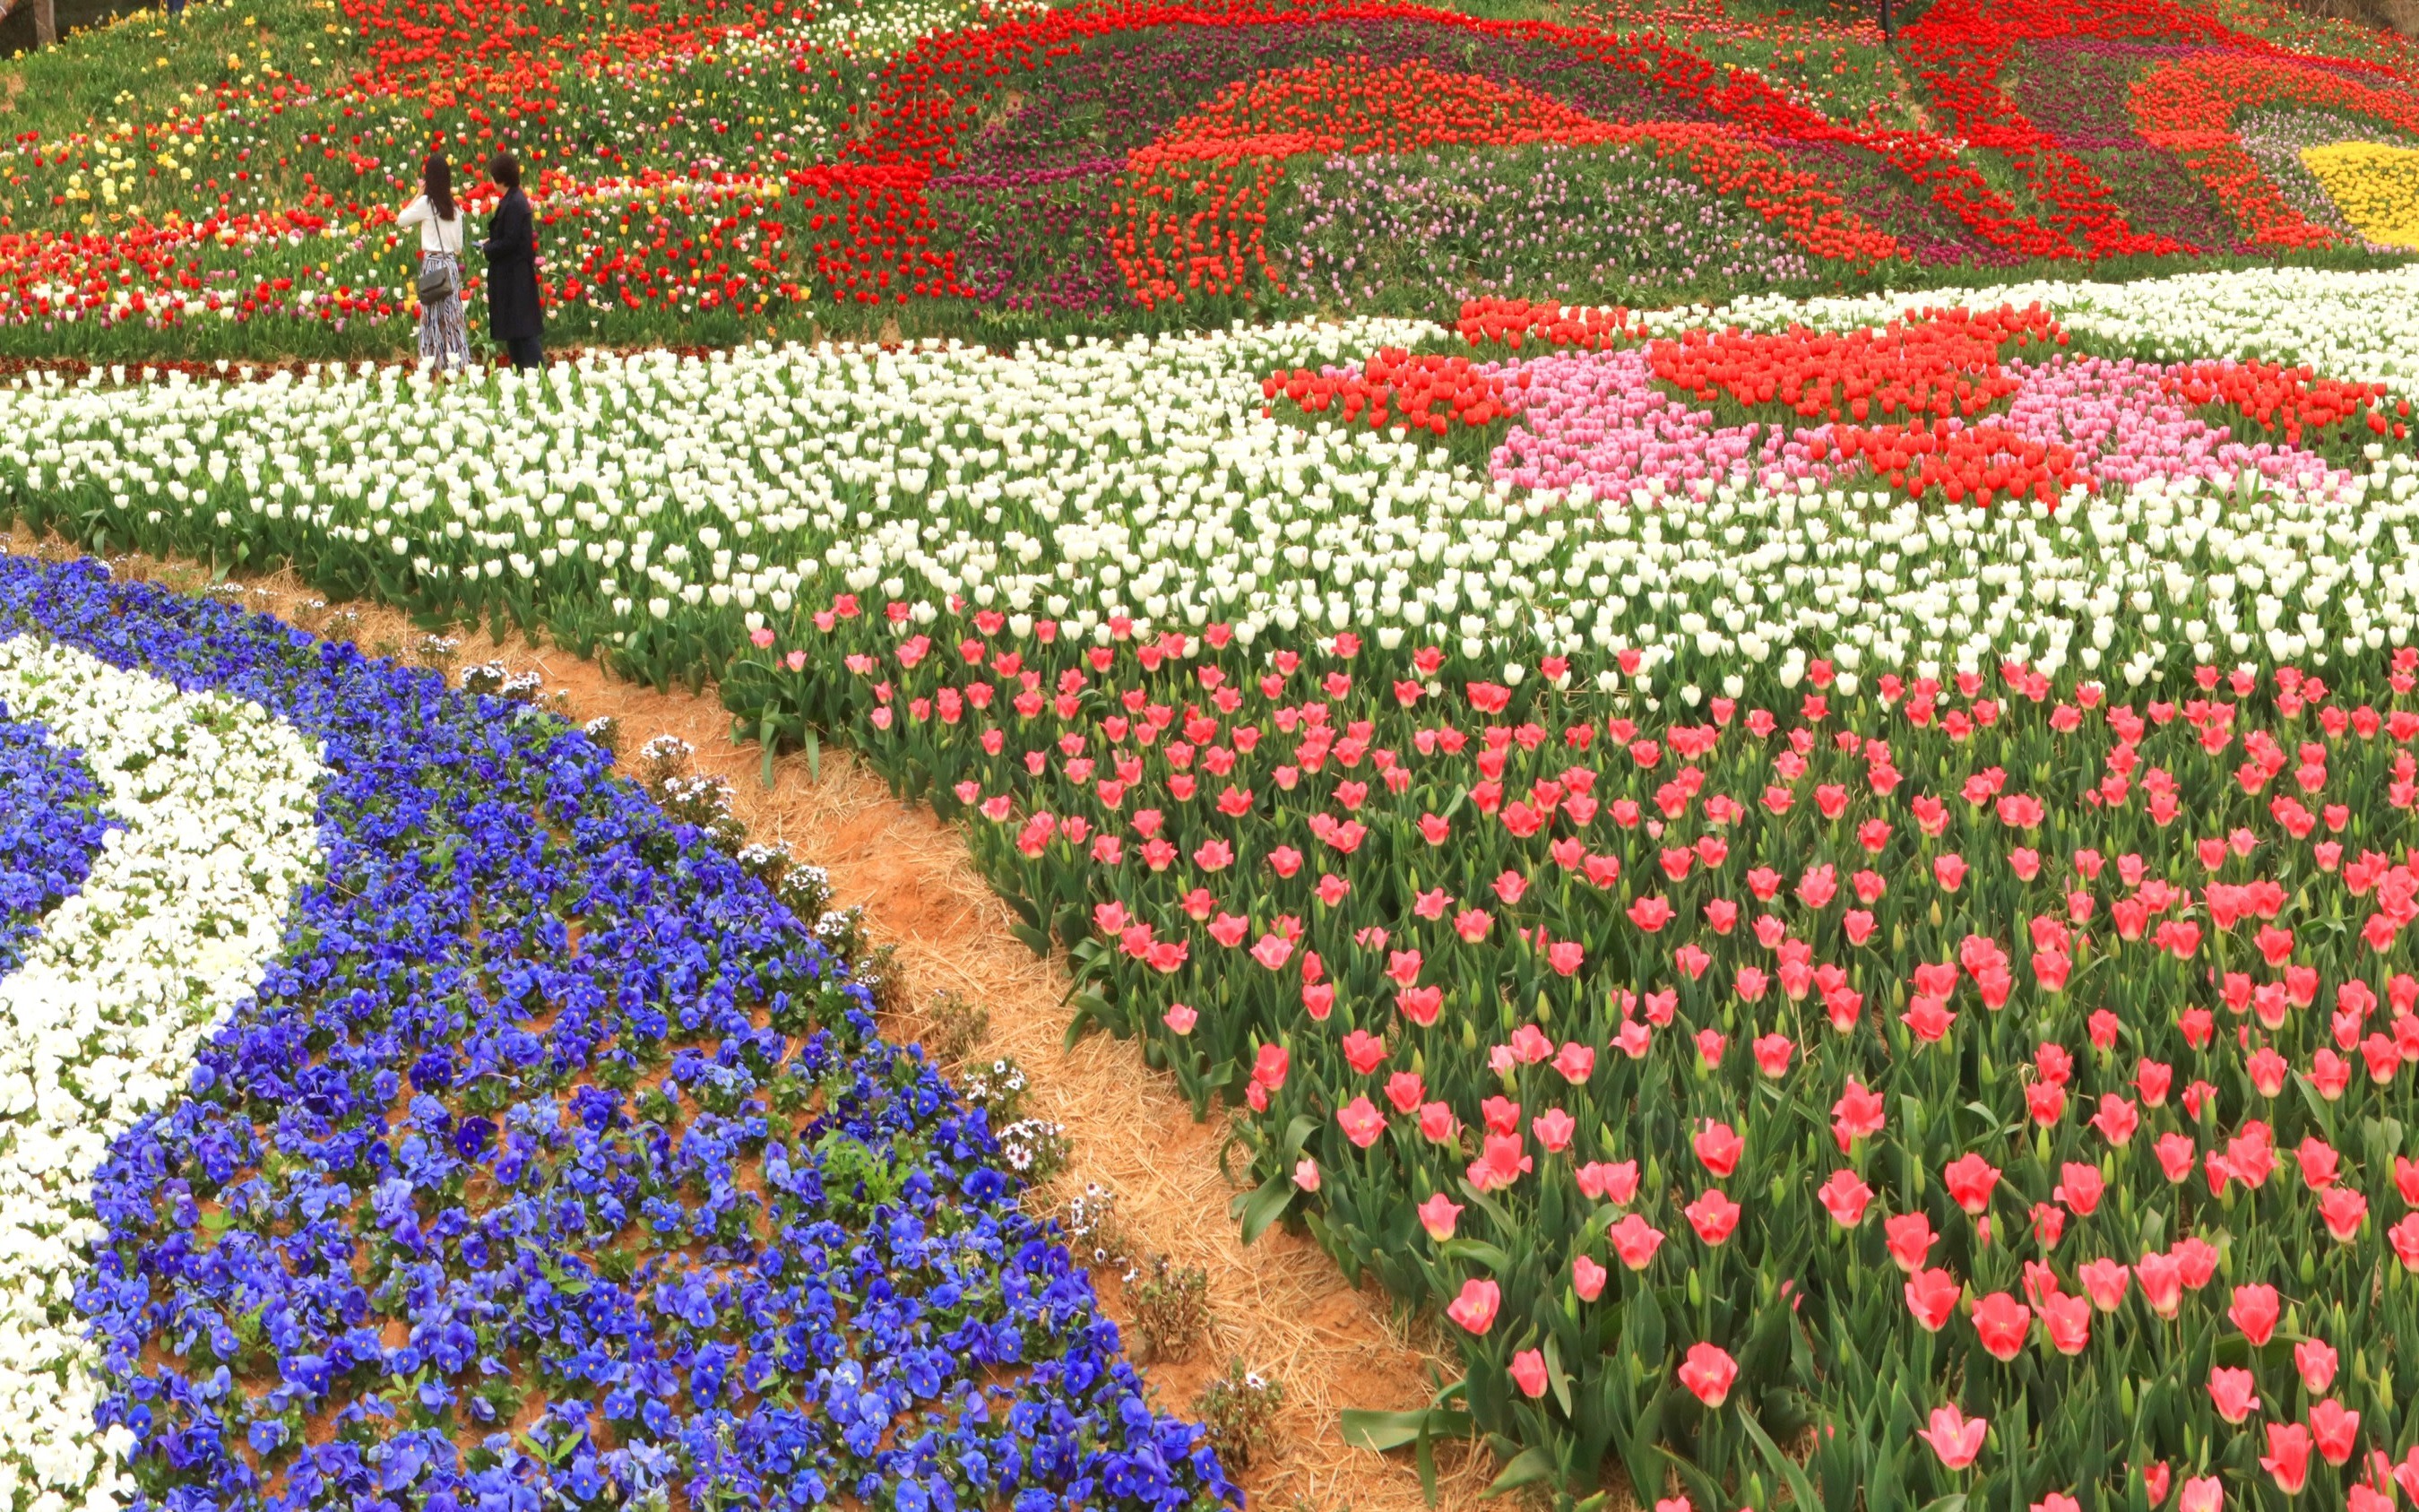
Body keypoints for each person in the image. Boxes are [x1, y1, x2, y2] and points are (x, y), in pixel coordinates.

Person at [396, 154, 470, 374]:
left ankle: (433, 365)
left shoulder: (426, 204)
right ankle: (458, 363)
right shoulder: (455, 208)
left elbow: (401, 220)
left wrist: (418, 194)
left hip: (432, 267)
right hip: (450, 267)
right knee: (452, 317)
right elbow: (458, 246)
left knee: (432, 319)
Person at [480, 151, 544, 370]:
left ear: (500, 177)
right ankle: (523, 373)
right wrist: (494, 240)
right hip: (511, 275)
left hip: (515, 276)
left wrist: (488, 247)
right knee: (515, 331)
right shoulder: (513, 199)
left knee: (523, 330)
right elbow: (511, 236)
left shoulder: (514, 202)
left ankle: (538, 374)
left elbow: (511, 241)